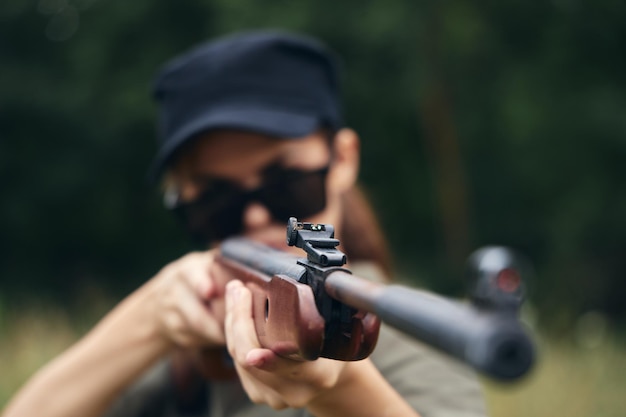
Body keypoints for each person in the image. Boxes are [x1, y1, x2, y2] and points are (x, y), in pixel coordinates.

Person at [2, 30, 486, 417]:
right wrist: (149, 320)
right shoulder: (187, 343)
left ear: (342, 159)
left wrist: (341, 391)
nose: (255, 216)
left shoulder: (410, 332)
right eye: (218, 202)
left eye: (285, 187)